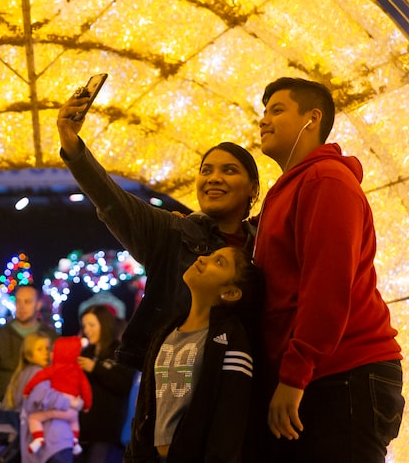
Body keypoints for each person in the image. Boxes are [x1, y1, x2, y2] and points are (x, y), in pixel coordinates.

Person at [253, 77, 404, 463]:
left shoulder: (325, 181)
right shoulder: (292, 187)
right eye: (264, 111)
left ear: (312, 118)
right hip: (322, 375)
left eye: (277, 110)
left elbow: (327, 286)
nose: (263, 120)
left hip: (344, 375)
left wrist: (294, 375)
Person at [57, 95, 261, 371]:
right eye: (206, 170)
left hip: (242, 385)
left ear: (253, 188)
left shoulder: (264, 244)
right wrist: (72, 145)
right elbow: (112, 200)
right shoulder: (172, 233)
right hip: (167, 382)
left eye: (229, 170)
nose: (214, 178)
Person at [123, 246, 263, 463]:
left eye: (219, 262)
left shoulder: (231, 338)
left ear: (230, 292)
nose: (202, 259)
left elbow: (229, 420)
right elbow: (146, 408)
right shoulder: (166, 332)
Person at [4, 332, 85, 463]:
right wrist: (71, 402)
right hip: (55, 440)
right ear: (28, 352)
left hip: (40, 443)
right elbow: (43, 396)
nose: (46, 353)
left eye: (48, 348)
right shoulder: (38, 372)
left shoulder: (22, 374)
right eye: (39, 349)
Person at [76, 304, 137, 463]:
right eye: (85, 325)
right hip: (83, 431)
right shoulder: (85, 352)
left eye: (92, 325)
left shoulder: (119, 351)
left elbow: (123, 384)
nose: (87, 330)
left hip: (108, 432)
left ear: (104, 324)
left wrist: (96, 368)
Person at [0, 285, 59, 410]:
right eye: (18, 301)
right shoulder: (0, 337)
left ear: (38, 305)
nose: (21, 307)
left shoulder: (50, 337)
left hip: (42, 412)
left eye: (27, 302)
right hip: (7, 412)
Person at [23, 336, 92, 455]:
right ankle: (75, 442)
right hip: (73, 410)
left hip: (58, 408)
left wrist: (27, 390)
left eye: (51, 350)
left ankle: (38, 438)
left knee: (34, 418)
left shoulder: (53, 369)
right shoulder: (79, 371)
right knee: (74, 422)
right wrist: (86, 405)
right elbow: (86, 390)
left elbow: (37, 378)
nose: (48, 353)